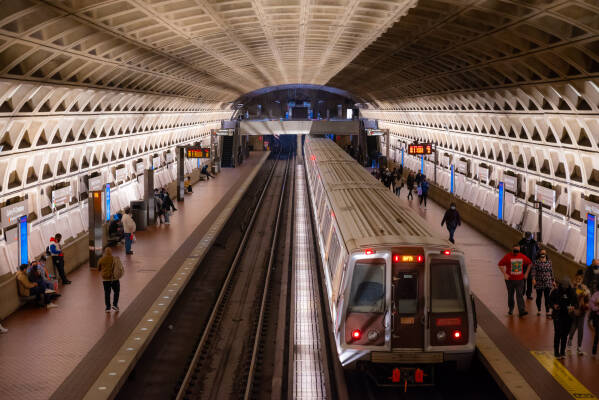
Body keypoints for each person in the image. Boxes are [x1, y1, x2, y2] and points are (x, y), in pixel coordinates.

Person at [498, 244, 532, 316]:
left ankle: (522, 311)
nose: (516, 252)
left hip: (520, 280)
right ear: (512, 250)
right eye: (515, 250)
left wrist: (526, 274)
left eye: (518, 251)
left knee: (519, 295)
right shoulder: (507, 256)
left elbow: (530, 263)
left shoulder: (522, 256)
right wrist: (505, 274)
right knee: (510, 295)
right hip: (509, 280)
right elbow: (500, 264)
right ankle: (511, 309)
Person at [550, 277, 576, 358]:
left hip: (568, 316)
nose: (565, 289)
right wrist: (554, 306)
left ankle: (562, 351)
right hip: (558, 315)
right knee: (558, 333)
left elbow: (576, 303)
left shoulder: (572, 292)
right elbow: (550, 301)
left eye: (566, 287)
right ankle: (556, 351)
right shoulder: (556, 291)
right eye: (563, 287)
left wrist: (573, 307)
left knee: (565, 334)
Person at [568, 270, 590, 355]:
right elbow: (572, 298)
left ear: (582, 279)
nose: (578, 281)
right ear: (575, 279)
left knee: (580, 328)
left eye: (580, 279)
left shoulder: (584, 287)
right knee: (574, 326)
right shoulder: (573, 288)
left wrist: (586, 295)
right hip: (575, 310)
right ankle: (570, 340)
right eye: (577, 279)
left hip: (582, 310)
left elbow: (588, 298)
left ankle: (579, 347)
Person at [531, 249, 554, 316]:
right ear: (539, 254)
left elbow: (551, 271)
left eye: (544, 253)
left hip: (548, 282)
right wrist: (533, 279)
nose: (543, 254)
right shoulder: (536, 262)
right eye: (542, 253)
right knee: (539, 297)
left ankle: (547, 311)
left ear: (546, 254)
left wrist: (553, 280)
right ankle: (539, 310)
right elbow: (533, 271)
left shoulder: (549, 262)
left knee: (547, 297)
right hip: (539, 282)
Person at [98, 247, 122, 312]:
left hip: (105, 280)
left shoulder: (101, 259)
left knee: (107, 293)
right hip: (114, 278)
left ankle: (108, 307)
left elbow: (99, 268)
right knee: (116, 292)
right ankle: (115, 305)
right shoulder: (114, 259)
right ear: (111, 252)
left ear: (105, 252)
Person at [519, 232, 540, 300]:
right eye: (527, 237)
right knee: (523, 279)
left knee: (530, 280)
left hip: (531, 264)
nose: (528, 238)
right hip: (523, 264)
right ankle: (522, 293)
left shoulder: (534, 243)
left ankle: (528, 294)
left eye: (529, 237)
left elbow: (538, 251)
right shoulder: (521, 242)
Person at [590, 286, 599, 357]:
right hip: (597, 317)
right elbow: (592, 306)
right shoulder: (595, 294)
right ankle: (594, 350)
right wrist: (598, 307)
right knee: (597, 334)